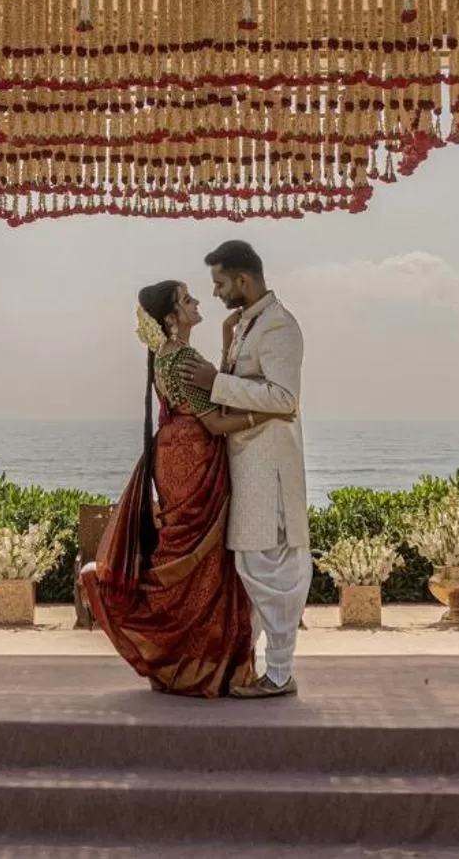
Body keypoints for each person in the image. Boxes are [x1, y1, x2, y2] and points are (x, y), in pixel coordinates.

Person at [81, 280, 278, 697]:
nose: (197, 303)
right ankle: (204, 669)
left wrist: (226, 343)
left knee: (185, 555)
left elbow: (214, 394)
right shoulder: (184, 358)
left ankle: (185, 664)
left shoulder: (163, 358)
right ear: (172, 318)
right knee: (204, 563)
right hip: (195, 462)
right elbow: (217, 421)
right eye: (187, 300)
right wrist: (268, 414)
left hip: (173, 459)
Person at [177, 239, 310, 699]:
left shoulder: (278, 327)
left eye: (219, 283)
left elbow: (284, 399)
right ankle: (258, 668)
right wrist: (224, 352)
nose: (214, 293)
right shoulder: (245, 326)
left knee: (268, 568)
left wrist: (217, 380)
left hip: (269, 468)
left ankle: (279, 673)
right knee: (252, 567)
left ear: (243, 280)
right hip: (247, 466)